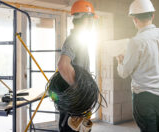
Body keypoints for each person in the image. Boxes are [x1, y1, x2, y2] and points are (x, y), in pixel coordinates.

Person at [116, 0, 159, 132]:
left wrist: (120, 61)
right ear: (152, 16)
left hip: (144, 99)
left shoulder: (136, 42)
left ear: (134, 19)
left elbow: (124, 73)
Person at [57, 0, 96, 131]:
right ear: (86, 19)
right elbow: (63, 65)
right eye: (91, 20)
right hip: (74, 103)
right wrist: (79, 89)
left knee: (83, 129)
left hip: (79, 102)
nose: (92, 23)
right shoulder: (74, 39)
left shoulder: (81, 38)